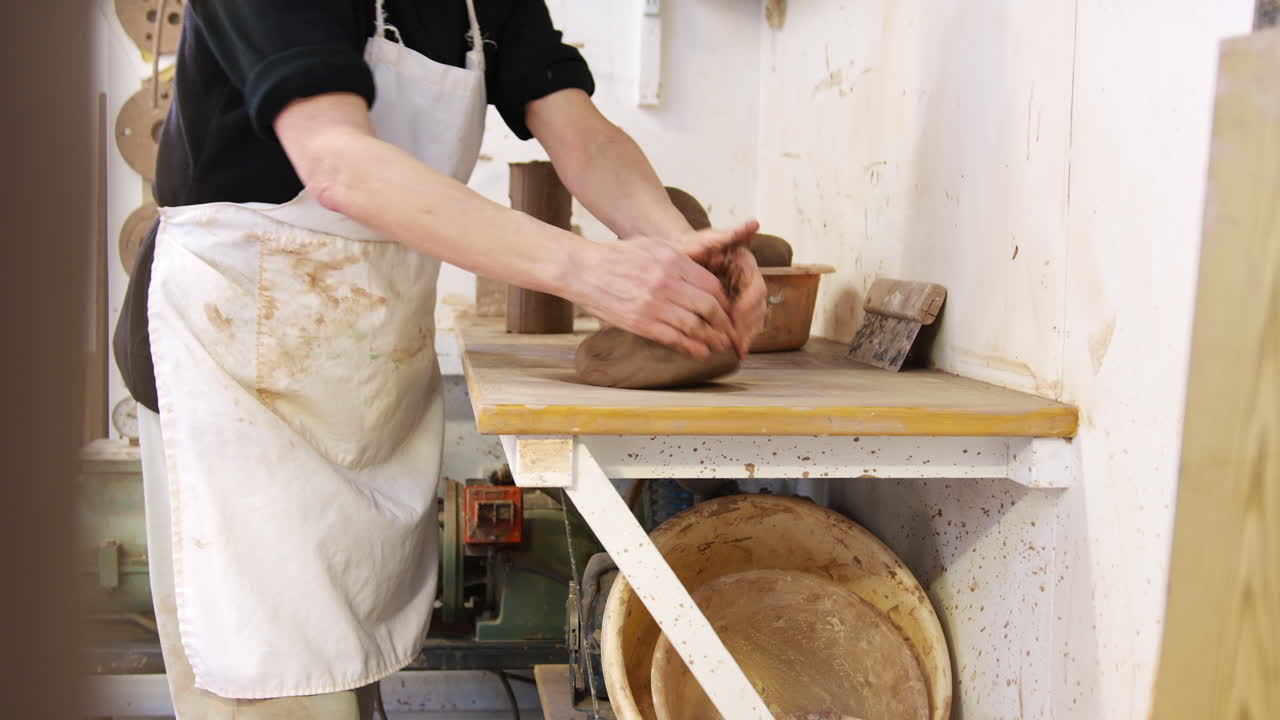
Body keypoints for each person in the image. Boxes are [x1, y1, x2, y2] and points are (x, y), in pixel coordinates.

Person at [111, 1, 766, 717]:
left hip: (358, 367)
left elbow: (580, 134)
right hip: (235, 370)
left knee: (337, 666)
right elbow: (337, 162)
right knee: (273, 676)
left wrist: (682, 248)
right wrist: (589, 271)